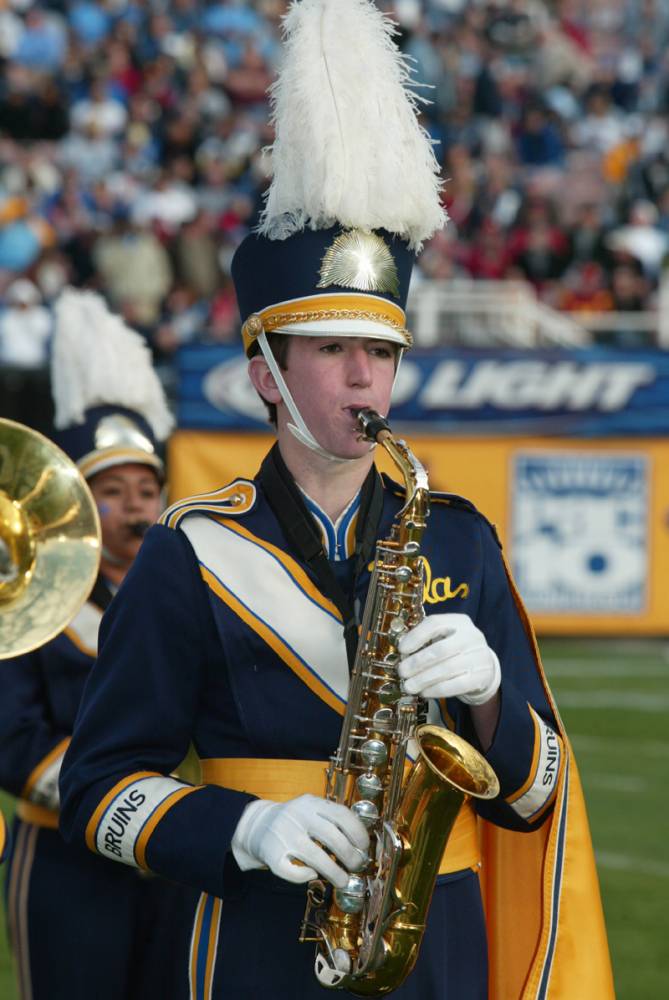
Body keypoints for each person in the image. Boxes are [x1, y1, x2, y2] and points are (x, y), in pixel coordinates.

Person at [59, 2, 614, 998]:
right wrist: (243, 826)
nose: (364, 381)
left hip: (434, 945)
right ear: (266, 372)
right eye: (331, 351)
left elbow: (535, 800)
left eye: (382, 353)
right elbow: (97, 791)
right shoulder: (189, 554)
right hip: (248, 940)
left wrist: (491, 698)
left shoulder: (462, 540)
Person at [0, 288, 197, 1000]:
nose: (137, 505)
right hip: (63, 851)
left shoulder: (186, 603)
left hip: (173, 851)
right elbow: (13, 737)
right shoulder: (32, 603)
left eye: (147, 489)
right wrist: (115, 804)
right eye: (112, 492)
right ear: (78, 508)